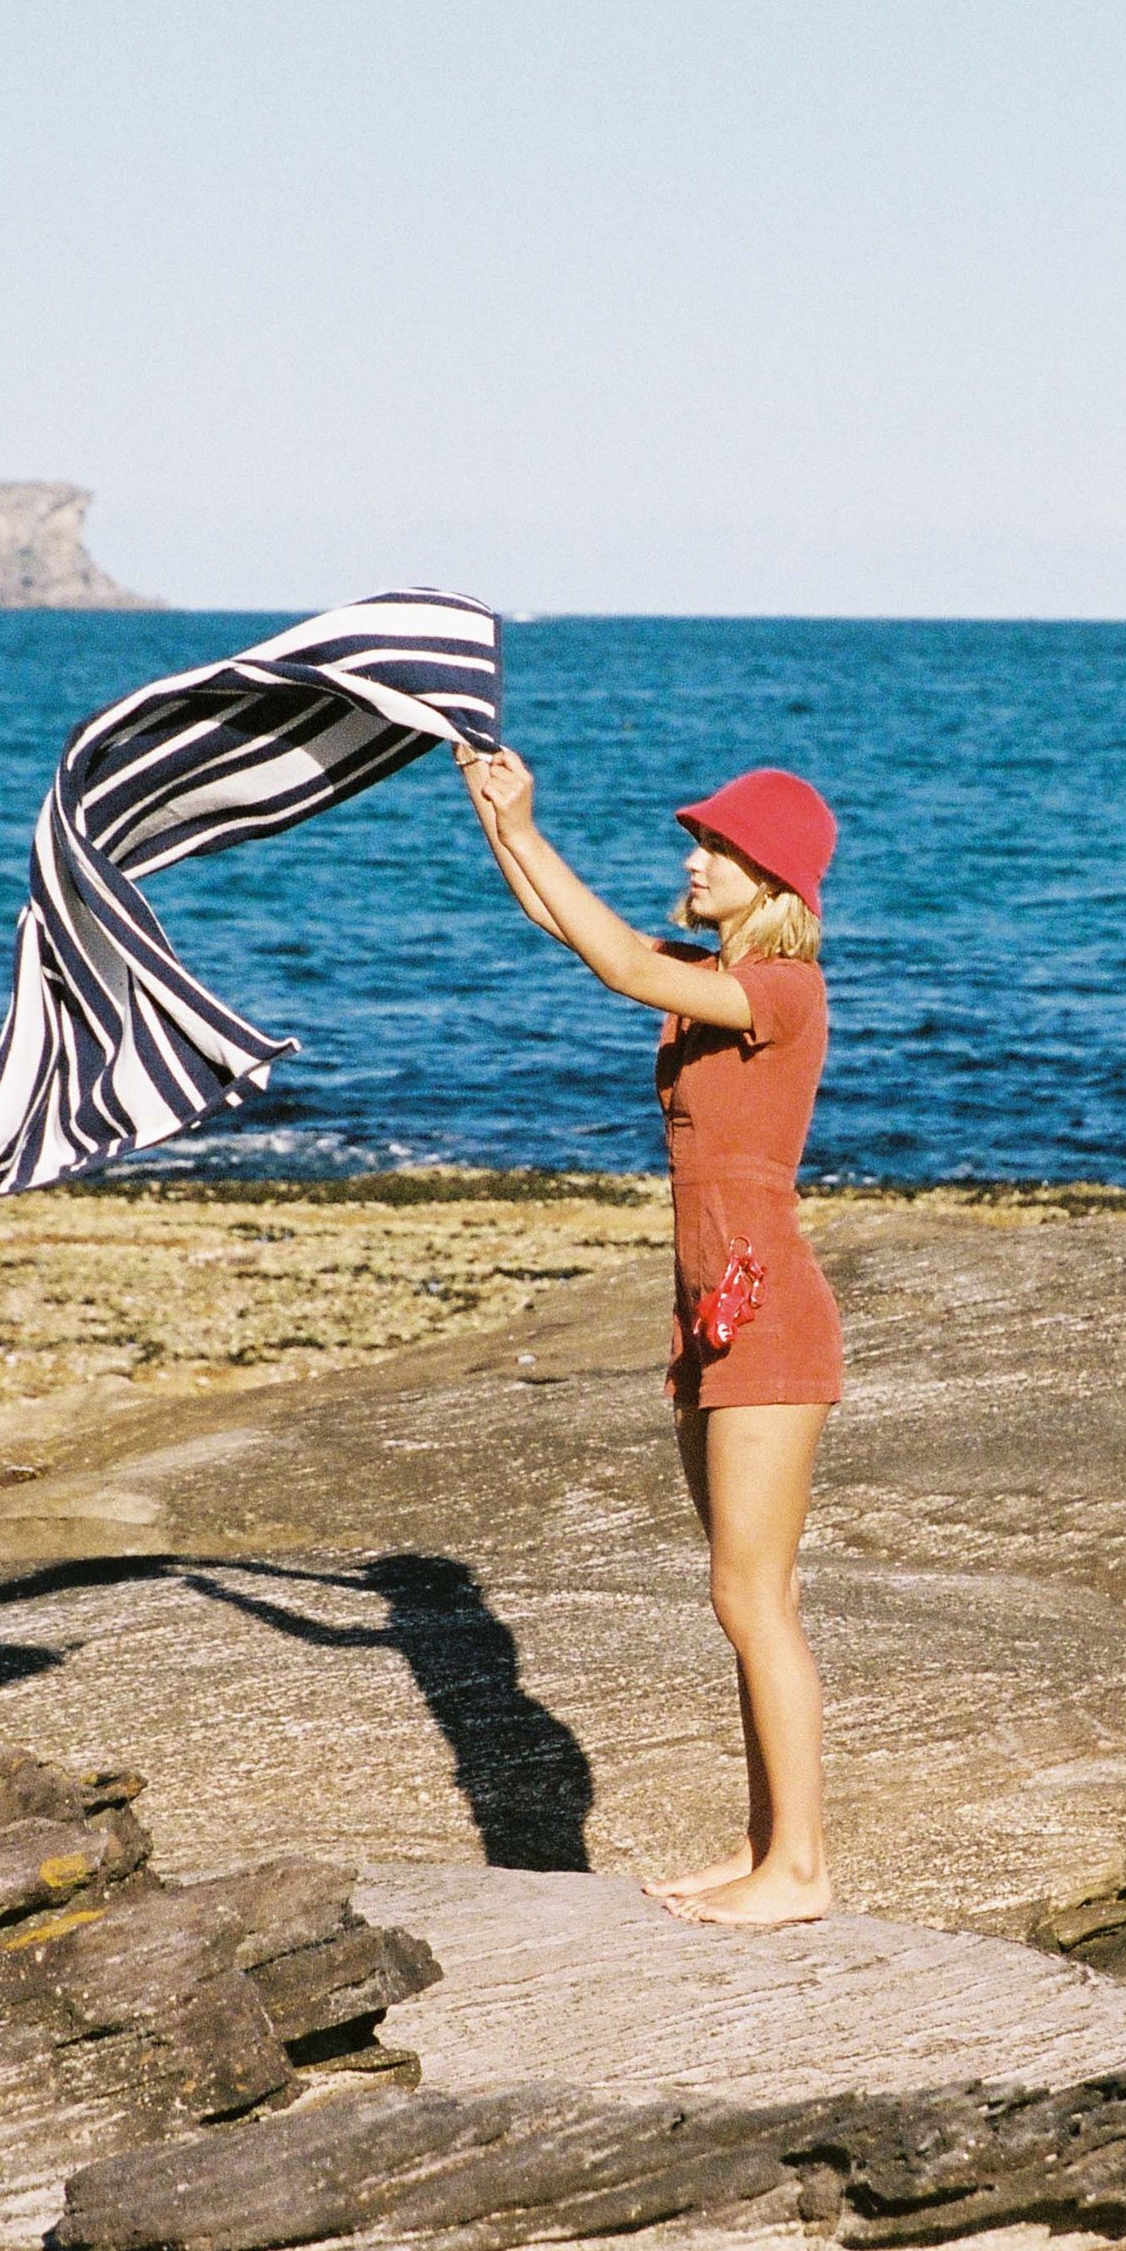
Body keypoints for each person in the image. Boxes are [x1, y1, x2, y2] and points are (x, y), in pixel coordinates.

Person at [455, 744, 843, 1926]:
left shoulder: (780, 993)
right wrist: (504, 825)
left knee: (753, 1599)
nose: (694, 857)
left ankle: (805, 1872)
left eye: (719, 848)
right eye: (700, 840)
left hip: (769, 1317)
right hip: (709, 1322)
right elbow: (580, 936)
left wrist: (531, 822)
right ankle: (766, 1845)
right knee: (739, 1596)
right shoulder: (708, 977)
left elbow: (618, 960)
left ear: (772, 882)